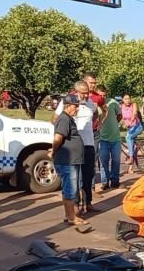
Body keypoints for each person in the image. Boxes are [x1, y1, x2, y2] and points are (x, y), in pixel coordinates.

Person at [53, 81, 99, 216]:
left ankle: (88, 202)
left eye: (87, 93)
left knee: (88, 175)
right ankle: (75, 206)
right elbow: (55, 119)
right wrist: (65, 132)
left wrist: (95, 125)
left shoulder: (90, 103)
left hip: (89, 144)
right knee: (75, 178)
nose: (86, 95)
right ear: (77, 91)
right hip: (74, 146)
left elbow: (96, 114)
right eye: (83, 93)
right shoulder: (68, 103)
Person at [50, 94, 87, 225]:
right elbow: (58, 138)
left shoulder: (68, 119)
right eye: (75, 106)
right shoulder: (64, 119)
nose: (77, 108)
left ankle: (68, 215)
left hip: (72, 160)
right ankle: (72, 217)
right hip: (67, 161)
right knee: (70, 189)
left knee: (69, 188)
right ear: (67, 106)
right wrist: (53, 151)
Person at [96, 85, 123, 191]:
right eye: (100, 95)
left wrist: (115, 123)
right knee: (103, 162)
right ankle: (105, 182)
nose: (102, 97)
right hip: (102, 138)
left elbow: (119, 115)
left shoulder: (112, 102)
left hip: (115, 138)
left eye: (104, 95)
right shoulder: (94, 104)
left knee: (116, 161)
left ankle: (115, 181)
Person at [120, 95, 143, 174]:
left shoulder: (134, 105)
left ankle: (131, 158)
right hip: (130, 128)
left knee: (128, 137)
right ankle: (130, 168)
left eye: (129, 99)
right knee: (131, 144)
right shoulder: (121, 107)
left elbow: (134, 114)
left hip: (137, 127)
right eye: (125, 99)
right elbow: (120, 117)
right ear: (123, 100)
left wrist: (129, 123)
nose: (127, 100)